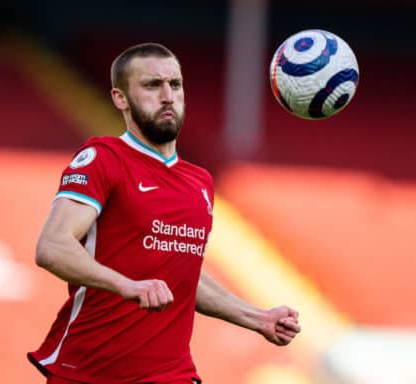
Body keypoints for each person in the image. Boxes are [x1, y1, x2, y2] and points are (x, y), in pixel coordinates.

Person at [28, 42, 301, 384]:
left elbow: (184, 274)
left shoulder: (200, 182)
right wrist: (127, 286)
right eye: (152, 85)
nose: (168, 95)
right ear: (120, 98)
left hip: (170, 374)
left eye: (175, 84)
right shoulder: (104, 158)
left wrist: (257, 318)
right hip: (88, 372)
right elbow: (52, 246)